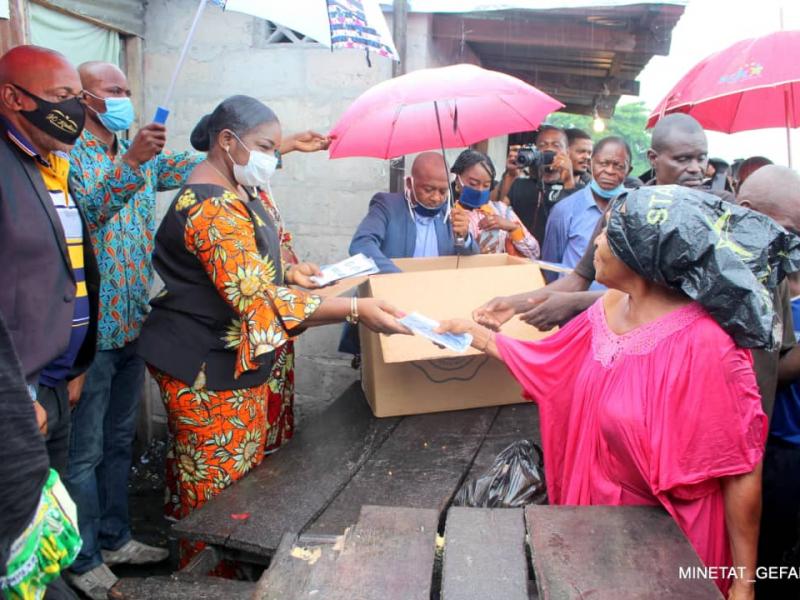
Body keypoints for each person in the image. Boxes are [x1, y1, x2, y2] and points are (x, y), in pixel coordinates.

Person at [441, 187, 774, 598]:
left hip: (670, 548)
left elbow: (739, 470)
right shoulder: (610, 306)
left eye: (608, 236)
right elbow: (550, 365)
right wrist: (473, 334)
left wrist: (744, 583)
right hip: (594, 526)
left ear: (642, 254)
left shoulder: (706, 345)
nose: (595, 242)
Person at [136, 96, 409, 547]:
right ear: (227, 141)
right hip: (204, 366)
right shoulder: (211, 207)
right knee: (215, 496)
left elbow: (246, 266)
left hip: (225, 358)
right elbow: (255, 299)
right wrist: (356, 310)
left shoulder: (235, 190)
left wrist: (288, 271)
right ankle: (204, 581)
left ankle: (214, 565)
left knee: (225, 482)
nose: (272, 158)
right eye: (266, 147)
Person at [62, 61, 201, 593]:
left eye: (126, 89)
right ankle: (81, 557)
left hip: (131, 323)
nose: (122, 98)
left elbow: (195, 167)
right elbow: (91, 211)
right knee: (85, 451)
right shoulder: (69, 155)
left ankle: (118, 537)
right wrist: (133, 161)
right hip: (89, 335)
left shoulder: (139, 152)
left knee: (121, 441)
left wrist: (264, 153)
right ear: (84, 98)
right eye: (110, 90)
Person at [475, 114, 731, 334]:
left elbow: (666, 299)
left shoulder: (722, 211)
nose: (696, 169)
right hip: (625, 345)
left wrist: (575, 303)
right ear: (654, 159)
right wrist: (512, 303)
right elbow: (577, 279)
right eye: (684, 159)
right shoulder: (625, 209)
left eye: (701, 158)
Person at [0, 43, 99, 599]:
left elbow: (65, 273)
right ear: (14, 97)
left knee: (49, 531)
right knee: (20, 540)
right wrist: (18, 395)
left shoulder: (48, 165)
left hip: (58, 384)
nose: (75, 111)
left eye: (77, 98)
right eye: (62, 98)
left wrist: (73, 363)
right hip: (19, 395)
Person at [736, 165, 800, 600]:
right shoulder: (720, 269)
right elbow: (771, 366)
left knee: (779, 562)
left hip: (785, 447)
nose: (792, 243)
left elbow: (780, 354)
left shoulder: (779, 262)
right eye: (790, 230)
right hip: (759, 442)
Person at [349, 151, 477, 274]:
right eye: (428, 190)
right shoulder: (387, 206)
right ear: (410, 183)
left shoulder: (450, 213)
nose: (436, 198)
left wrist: (464, 237)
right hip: (392, 289)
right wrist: (398, 277)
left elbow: (470, 259)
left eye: (443, 191)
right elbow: (361, 245)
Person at [541, 136, 631, 280]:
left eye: (618, 166)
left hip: (618, 301)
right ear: (590, 164)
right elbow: (550, 268)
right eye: (603, 164)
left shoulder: (636, 210)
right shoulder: (564, 210)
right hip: (573, 300)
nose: (609, 171)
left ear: (629, 170)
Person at [500, 125, 582, 245]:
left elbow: (577, 221)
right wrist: (510, 174)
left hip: (557, 260)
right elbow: (500, 213)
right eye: (543, 145)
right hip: (522, 256)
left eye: (556, 145)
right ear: (536, 151)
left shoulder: (579, 190)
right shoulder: (519, 184)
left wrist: (568, 180)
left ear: (567, 153)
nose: (549, 149)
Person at [450, 149, 539, 259]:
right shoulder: (450, 216)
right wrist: (473, 249)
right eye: (473, 183)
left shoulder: (501, 210)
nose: (480, 190)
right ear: (458, 180)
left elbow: (534, 253)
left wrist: (513, 229)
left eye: (486, 185)